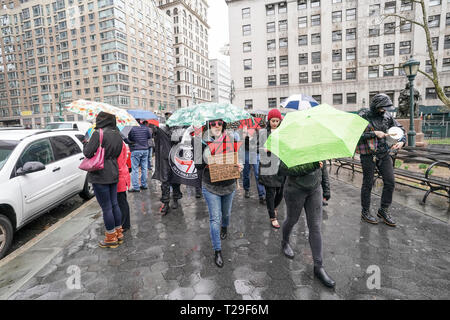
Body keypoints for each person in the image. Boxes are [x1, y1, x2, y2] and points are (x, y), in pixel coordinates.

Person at [278, 158, 335, 288]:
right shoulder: (292, 140)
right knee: (292, 220)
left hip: (315, 189)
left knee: (315, 226)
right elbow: (283, 169)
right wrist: (312, 165)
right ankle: (285, 242)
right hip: (295, 189)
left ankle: (318, 267)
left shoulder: (317, 142)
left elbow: (322, 166)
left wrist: (326, 188)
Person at [194, 119, 242, 268]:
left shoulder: (231, 139)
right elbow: (197, 165)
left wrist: (240, 166)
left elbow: (237, 159)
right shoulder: (202, 141)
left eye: (219, 124)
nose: (216, 126)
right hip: (210, 186)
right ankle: (217, 251)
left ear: (223, 126)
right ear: (209, 125)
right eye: (213, 124)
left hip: (228, 185)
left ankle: (225, 227)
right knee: (215, 218)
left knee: (226, 214)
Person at [357, 93, 406, 227]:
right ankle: (365, 211)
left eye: (386, 107)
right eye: (382, 107)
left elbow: (400, 129)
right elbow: (355, 134)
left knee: (390, 182)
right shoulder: (363, 115)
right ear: (376, 105)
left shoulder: (387, 116)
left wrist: (402, 141)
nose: (384, 110)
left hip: (384, 154)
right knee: (367, 184)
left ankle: (383, 210)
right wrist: (373, 134)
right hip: (368, 154)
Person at [83, 111, 124, 248]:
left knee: (106, 208)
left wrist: (86, 143)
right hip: (113, 171)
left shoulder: (98, 133)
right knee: (114, 204)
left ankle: (110, 238)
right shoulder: (118, 134)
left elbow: (88, 153)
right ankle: (119, 233)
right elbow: (117, 153)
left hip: (100, 174)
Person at [258, 109, 285, 229]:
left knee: (281, 192)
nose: (275, 123)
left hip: (281, 167)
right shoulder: (263, 132)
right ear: (269, 121)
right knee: (270, 192)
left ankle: (274, 206)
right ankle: (272, 217)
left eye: (277, 121)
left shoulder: (283, 132)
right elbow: (258, 147)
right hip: (268, 166)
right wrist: (266, 149)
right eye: (273, 121)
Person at [152, 112, 183, 214]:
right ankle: (165, 203)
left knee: (175, 180)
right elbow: (154, 136)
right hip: (165, 159)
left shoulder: (179, 130)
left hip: (176, 159)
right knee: (165, 181)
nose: (169, 119)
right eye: (167, 117)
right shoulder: (161, 129)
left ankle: (175, 199)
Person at [242, 122, 266, 204]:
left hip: (255, 153)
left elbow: (261, 144)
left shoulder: (258, 133)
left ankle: (261, 195)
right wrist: (245, 137)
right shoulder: (244, 131)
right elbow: (241, 144)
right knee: (246, 173)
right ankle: (246, 189)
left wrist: (255, 147)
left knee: (257, 174)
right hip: (246, 153)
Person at [128, 119, 152, 192]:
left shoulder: (131, 128)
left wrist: (129, 142)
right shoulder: (145, 127)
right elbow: (149, 136)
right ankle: (144, 185)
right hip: (145, 149)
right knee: (144, 168)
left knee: (135, 169)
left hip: (135, 149)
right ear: (140, 121)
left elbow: (126, 137)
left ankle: (136, 187)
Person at [117, 141, 131, 232]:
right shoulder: (121, 143)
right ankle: (125, 224)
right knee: (122, 201)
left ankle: (124, 224)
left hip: (120, 175)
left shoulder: (117, 143)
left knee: (121, 202)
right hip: (123, 173)